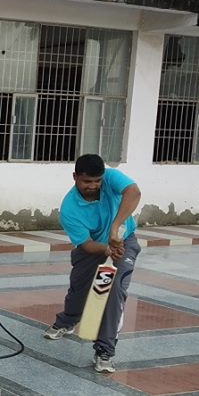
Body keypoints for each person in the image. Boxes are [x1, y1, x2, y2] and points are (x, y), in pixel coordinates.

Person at [43, 154, 141, 373]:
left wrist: (115, 228)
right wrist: (107, 248)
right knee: (80, 286)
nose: (93, 186)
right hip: (94, 247)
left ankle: (105, 349)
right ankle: (68, 320)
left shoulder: (111, 178)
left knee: (112, 287)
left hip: (124, 242)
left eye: (97, 181)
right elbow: (86, 245)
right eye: (87, 181)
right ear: (75, 177)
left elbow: (134, 192)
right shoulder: (69, 208)